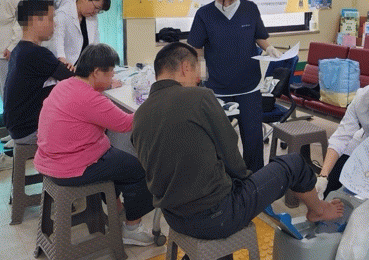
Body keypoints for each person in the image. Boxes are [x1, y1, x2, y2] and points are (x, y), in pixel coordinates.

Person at [131, 42, 343, 246]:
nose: (197, 79)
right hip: (218, 217)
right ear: (186, 67)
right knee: (294, 163)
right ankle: (319, 210)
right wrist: (248, 184)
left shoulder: (139, 116)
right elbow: (231, 152)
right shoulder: (199, 97)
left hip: (174, 219)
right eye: (196, 71)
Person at [34, 43, 156, 246]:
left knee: (116, 159)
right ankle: (132, 228)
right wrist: (154, 104)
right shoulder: (89, 98)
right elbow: (126, 124)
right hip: (71, 167)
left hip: (49, 161)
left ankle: (118, 211)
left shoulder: (65, 85)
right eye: (110, 73)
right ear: (97, 72)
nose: (113, 76)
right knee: (138, 169)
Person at [187, 0, 281, 172]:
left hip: (249, 86)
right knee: (218, 140)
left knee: (253, 138)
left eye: (231, 0)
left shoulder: (249, 9)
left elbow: (259, 36)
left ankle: (256, 180)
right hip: (217, 88)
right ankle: (223, 181)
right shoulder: (204, 14)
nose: (226, 4)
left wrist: (269, 48)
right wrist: (200, 73)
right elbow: (196, 47)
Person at [0, 0, 76, 173]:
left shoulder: (20, 49)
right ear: (35, 20)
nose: (55, 24)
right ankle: (74, 179)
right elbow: (75, 79)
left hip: (17, 127)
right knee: (89, 124)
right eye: (51, 19)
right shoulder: (37, 53)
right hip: (29, 131)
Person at [47, 0, 110, 67]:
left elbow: (95, 44)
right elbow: (57, 42)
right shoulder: (63, 14)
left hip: (82, 68)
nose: (95, 12)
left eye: (99, 11)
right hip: (63, 66)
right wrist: (63, 60)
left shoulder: (92, 18)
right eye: (96, 7)